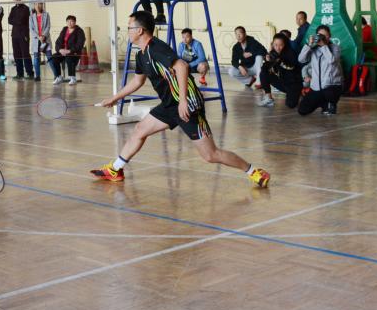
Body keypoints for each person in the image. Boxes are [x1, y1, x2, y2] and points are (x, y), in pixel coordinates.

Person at [91, 11, 270, 187]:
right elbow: (138, 81)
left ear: (140, 30)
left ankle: (253, 171)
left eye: (129, 27)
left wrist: (183, 101)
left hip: (188, 104)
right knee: (140, 130)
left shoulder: (156, 47)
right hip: (170, 105)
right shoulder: (141, 54)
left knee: (210, 155)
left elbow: (182, 66)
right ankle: (115, 169)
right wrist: (115, 98)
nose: (127, 30)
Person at [298, 25, 344, 116]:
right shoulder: (313, 48)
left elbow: (331, 61)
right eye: (320, 35)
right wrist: (309, 45)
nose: (322, 38)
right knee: (302, 110)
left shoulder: (335, 48)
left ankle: (331, 104)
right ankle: (322, 103)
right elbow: (301, 59)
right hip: (316, 87)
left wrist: (323, 46)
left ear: (329, 36)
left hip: (331, 86)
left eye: (325, 35)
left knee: (329, 91)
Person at [257, 33, 302, 108]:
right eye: (276, 45)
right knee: (263, 73)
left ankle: (301, 93)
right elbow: (264, 69)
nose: (278, 47)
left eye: (281, 45)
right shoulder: (273, 53)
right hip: (282, 82)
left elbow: (291, 67)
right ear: (272, 44)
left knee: (291, 105)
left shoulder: (291, 53)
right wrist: (267, 61)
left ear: (285, 44)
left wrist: (279, 61)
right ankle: (269, 98)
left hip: (293, 84)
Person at [50, 15, 86, 85]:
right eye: (68, 21)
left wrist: (69, 51)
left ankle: (73, 78)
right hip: (63, 52)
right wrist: (60, 50)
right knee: (54, 57)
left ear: (75, 22)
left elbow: (80, 44)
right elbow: (58, 41)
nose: (69, 23)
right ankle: (59, 77)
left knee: (69, 58)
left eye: (71, 21)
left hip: (74, 52)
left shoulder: (79, 31)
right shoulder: (64, 29)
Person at [8, 0, 33, 79]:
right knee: (16, 54)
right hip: (14, 35)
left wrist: (16, 20)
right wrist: (17, 21)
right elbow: (9, 20)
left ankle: (30, 73)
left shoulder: (26, 8)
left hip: (23, 35)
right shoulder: (13, 9)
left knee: (25, 54)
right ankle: (20, 73)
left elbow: (22, 20)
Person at [29, 0, 51, 82]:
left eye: (40, 4)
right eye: (36, 4)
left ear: (42, 5)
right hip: (36, 39)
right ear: (34, 6)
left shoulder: (46, 15)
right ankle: (37, 76)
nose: (38, 6)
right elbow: (31, 29)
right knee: (36, 58)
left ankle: (56, 75)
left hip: (45, 39)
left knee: (49, 57)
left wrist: (43, 36)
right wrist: (38, 36)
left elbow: (48, 26)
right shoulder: (31, 16)